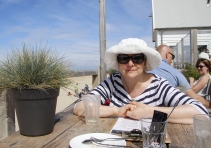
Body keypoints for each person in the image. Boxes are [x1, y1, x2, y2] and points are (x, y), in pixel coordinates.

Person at [73, 38, 208, 124]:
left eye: (137, 58)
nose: (130, 63)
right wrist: (117, 111)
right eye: (124, 58)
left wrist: (149, 112)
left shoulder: (158, 85)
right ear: (118, 63)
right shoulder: (112, 82)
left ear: (145, 63)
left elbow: (200, 111)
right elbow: (79, 107)